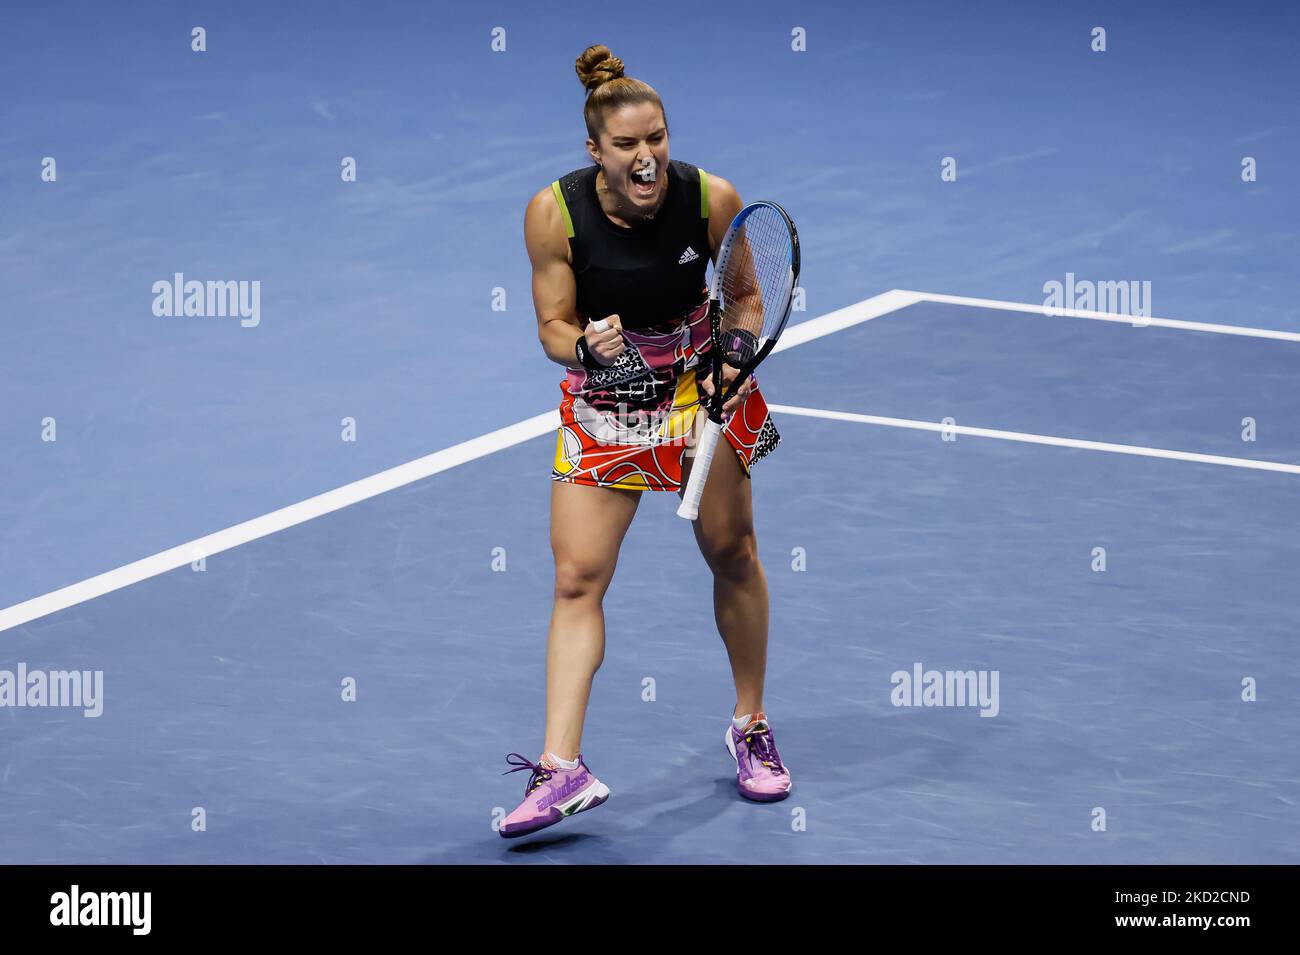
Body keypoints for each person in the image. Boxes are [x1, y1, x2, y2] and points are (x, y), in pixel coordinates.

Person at [500, 43, 789, 839]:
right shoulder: (554, 213)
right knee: (576, 577)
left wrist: (735, 350)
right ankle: (563, 769)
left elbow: (745, 298)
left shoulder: (711, 197)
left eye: (656, 138)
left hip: (702, 382)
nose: (648, 157)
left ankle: (751, 724)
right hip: (612, 393)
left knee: (733, 551)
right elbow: (552, 327)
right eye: (628, 145)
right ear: (595, 151)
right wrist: (586, 347)